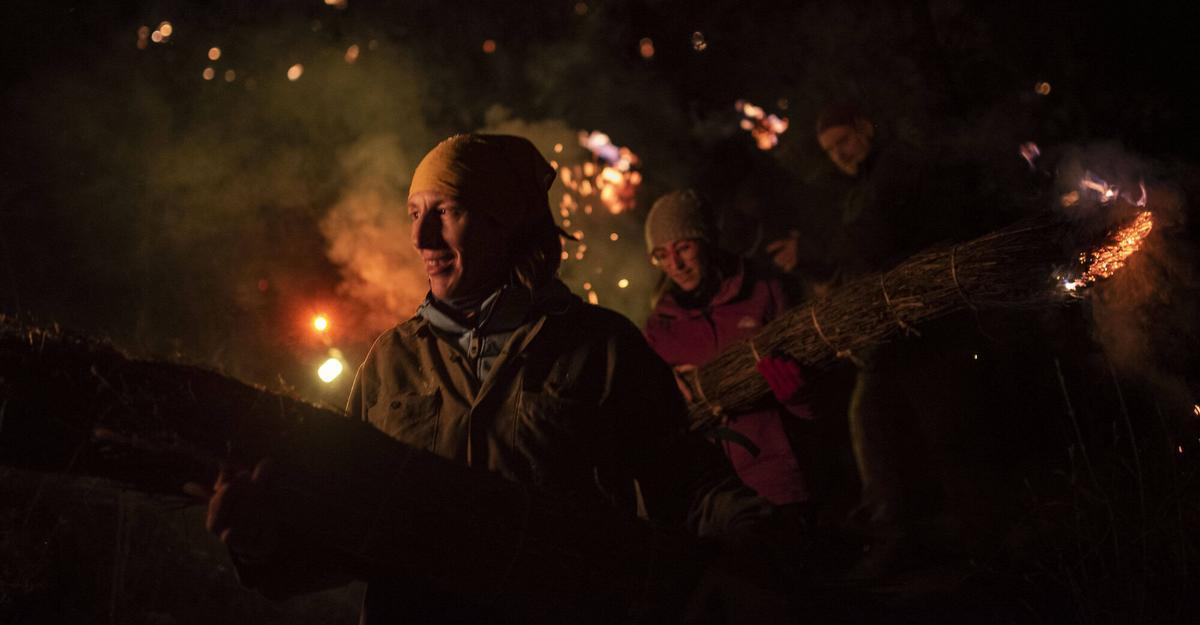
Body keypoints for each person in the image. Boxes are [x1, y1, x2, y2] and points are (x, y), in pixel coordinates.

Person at [203, 134, 789, 624]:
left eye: (446, 211)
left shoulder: (600, 347)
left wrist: (757, 542)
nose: (421, 239)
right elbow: (348, 529)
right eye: (414, 214)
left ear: (503, 221)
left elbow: (690, 488)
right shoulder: (390, 363)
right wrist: (262, 545)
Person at [792, 102, 999, 577]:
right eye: (830, 150)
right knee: (875, 425)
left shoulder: (901, 169)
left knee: (948, 437)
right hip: (889, 339)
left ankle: (982, 545)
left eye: (843, 141)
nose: (839, 154)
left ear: (865, 128)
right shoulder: (860, 187)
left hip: (930, 330)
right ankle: (902, 537)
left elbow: (884, 242)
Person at [642, 189, 818, 528]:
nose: (675, 265)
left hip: (780, 483)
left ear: (707, 241)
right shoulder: (658, 329)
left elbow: (818, 400)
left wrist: (798, 395)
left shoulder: (764, 292)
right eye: (662, 255)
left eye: (683, 248)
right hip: (716, 499)